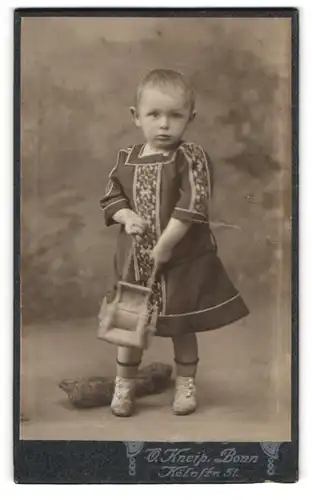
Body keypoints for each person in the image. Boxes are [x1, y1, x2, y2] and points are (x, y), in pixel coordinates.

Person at [99, 69, 249, 417]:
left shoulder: (190, 157)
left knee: (181, 324)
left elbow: (193, 204)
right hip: (133, 263)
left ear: (189, 119)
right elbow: (111, 196)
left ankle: (185, 384)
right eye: (154, 115)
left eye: (175, 115)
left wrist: (166, 243)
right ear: (136, 117)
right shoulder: (127, 158)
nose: (164, 125)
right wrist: (126, 217)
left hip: (181, 260)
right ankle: (124, 386)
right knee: (128, 329)